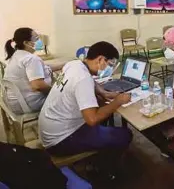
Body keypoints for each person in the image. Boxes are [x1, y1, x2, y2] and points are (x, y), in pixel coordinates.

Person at [38, 42, 132, 172]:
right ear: (100, 59)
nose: (109, 69)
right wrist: (117, 101)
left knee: (101, 110)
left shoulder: (75, 64)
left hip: (50, 130)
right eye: (110, 65)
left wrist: (103, 92)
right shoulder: (83, 79)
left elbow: (91, 81)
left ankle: (99, 154)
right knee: (125, 134)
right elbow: (92, 119)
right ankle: (106, 171)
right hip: (61, 141)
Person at [4, 28, 52, 114]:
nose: (39, 41)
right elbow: (38, 85)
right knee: (67, 98)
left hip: (14, 102)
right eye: (36, 38)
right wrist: (54, 91)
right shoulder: (31, 59)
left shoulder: (16, 55)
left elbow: (43, 68)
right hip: (29, 104)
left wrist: (65, 64)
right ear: (26, 43)